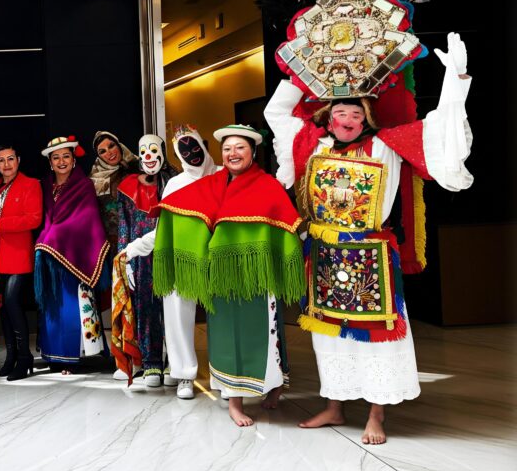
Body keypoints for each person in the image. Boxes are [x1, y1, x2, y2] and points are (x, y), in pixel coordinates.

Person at [265, 34, 473, 444]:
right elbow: (276, 111)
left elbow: (440, 132)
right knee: (329, 337)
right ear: (328, 117)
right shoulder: (312, 143)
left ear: (365, 119)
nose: (347, 118)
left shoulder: (385, 147)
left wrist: (456, 79)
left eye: (355, 113)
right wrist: (297, 66)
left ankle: (376, 415)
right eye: (340, 111)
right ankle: (335, 406)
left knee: (379, 338)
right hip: (325, 254)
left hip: (370, 255)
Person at [153, 125, 305, 427]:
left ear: (252, 152)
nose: (232, 153)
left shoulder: (269, 185)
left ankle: (273, 386)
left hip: (260, 277)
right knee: (226, 336)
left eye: (239, 148)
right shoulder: (211, 185)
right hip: (222, 277)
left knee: (269, 333)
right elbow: (180, 208)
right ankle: (235, 402)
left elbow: (287, 225)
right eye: (227, 149)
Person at [122, 125, 220, 398]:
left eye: (194, 147)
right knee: (176, 308)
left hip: (218, 260)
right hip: (183, 260)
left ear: (203, 146)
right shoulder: (176, 184)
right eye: (184, 150)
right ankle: (183, 374)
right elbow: (166, 229)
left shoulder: (223, 176)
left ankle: (224, 376)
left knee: (223, 316)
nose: (192, 154)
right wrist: (133, 249)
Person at [33, 136, 109, 374]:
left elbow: (85, 220)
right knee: (52, 309)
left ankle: (72, 359)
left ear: (74, 159)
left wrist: (53, 237)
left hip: (74, 257)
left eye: (66, 156)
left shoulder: (83, 185)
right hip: (49, 258)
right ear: (50, 162)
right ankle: (53, 355)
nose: (61, 161)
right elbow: (45, 218)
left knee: (73, 309)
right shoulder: (45, 186)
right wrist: (48, 237)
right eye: (56, 157)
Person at [110, 134, 174, 387]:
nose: (149, 156)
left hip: (169, 252)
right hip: (140, 256)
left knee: (172, 309)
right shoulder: (127, 186)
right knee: (145, 309)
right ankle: (151, 363)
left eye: (154, 150)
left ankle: (174, 362)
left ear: (163, 152)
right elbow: (123, 225)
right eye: (143, 151)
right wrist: (125, 259)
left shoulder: (174, 182)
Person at [0, 144, 43, 381]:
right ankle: (12, 356)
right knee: (3, 308)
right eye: (1, 160)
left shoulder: (31, 184)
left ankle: (25, 358)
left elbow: (34, 219)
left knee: (14, 303)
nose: (6, 164)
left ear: (18, 160)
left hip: (18, 255)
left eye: (10, 159)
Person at [88, 131, 138, 273]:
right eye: (102, 151)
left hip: (140, 237)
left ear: (119, 145)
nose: (109, 153)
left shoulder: (140, 167)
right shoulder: (95, 179)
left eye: (111, 146)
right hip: (112, 243)